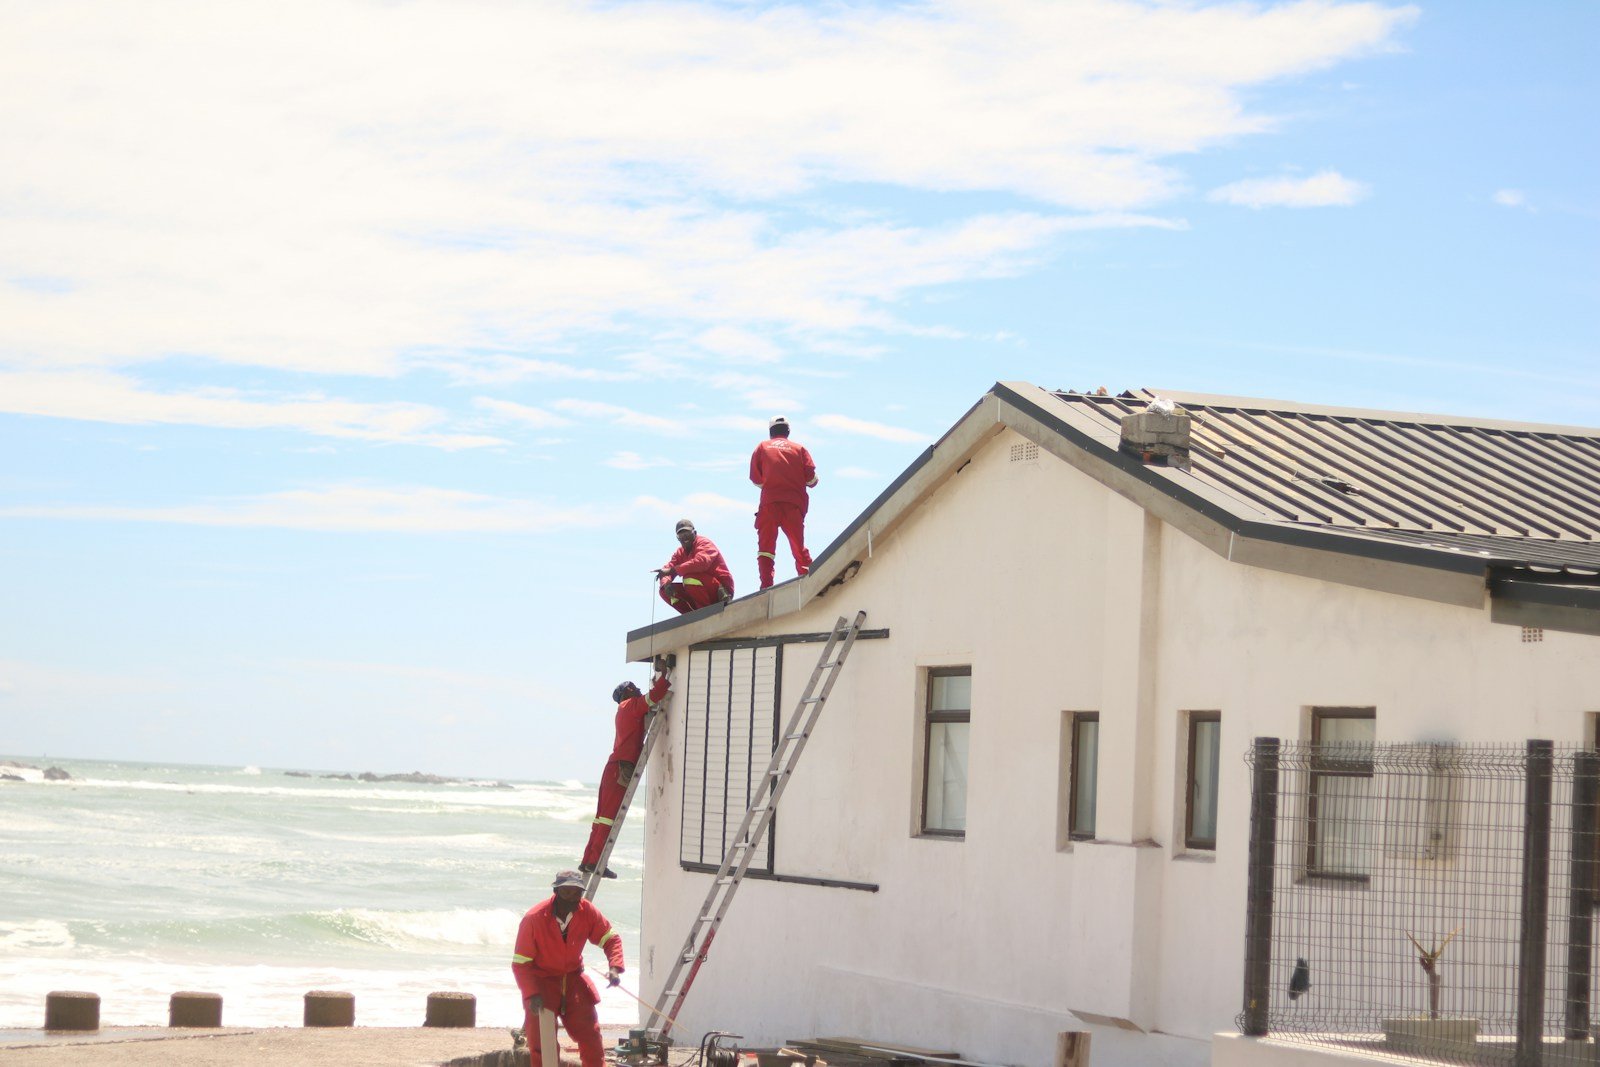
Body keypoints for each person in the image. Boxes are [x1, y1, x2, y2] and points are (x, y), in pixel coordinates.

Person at [511, 869, 626, 1067]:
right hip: (542, 982)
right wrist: (531, 994)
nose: (572, 898)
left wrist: (615, 967)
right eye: (567, 892)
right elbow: (521, 964)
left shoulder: (587, 911)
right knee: (542, 1043)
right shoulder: (534, 918)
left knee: (591, 1036)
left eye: (577, 893)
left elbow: (610, 939)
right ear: (556, 892)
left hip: (573, 980)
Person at [580, 656, 672, 876]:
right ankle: (594, 862)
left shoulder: (624, 709)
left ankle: (588, 860)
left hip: (614, 767)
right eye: (635, 687)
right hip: (620, 768)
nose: (638, 689)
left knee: (600, 817)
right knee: (608, 817)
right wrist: (666, 675)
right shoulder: (630, 705)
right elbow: (654, 697)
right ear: (628, 691)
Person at [750, 416, 817, 589]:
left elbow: (755, 478)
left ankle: (766, 587)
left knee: (766, 548)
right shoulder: (799, 449)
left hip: (769, 504)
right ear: (788, 431)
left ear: (771, 432)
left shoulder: (762, 447)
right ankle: (809, 581)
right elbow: (812, 480)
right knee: (798, 547)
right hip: (793, 505)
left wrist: (772, 484)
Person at [657, 519, 735, 614]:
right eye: (681, 535)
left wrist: (673, 570)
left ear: (695, 533)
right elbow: (667, 568)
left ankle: (704, 614)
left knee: (689, 578)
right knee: (664, 591)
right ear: (677, 538)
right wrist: (665, 583)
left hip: (719, 590)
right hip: (699, 591)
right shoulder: (680, 553)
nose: (684, 537)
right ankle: (691, 616)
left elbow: (701, 563)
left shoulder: (704, 543)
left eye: (687, 533)